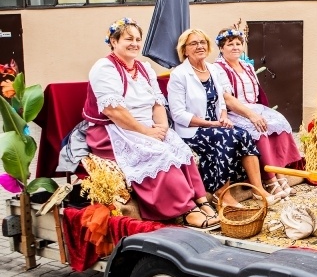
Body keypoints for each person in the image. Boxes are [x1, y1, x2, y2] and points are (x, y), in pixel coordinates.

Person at [83, 18, 219, 230]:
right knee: (160, 154)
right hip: (115, 130)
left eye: (138, 39)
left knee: (178, 147)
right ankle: (184, 210)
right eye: (129, 39)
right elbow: (113, 110)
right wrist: (146, 132)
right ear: (113, 41)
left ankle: (200, 199)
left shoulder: (144, 68)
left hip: (147, 126)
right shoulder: (104, 68)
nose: (135, 43)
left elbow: (157, 103)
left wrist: (163, 128)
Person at [167, 29, 265, 207]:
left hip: (215, 124)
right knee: (225, 137)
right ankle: (222, 194)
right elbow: (178, 114)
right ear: (184, 50)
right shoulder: (179, 75)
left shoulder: (213, 69)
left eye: (202, 42)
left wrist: (224, 116)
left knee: (243, 135)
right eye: (193, 43)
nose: (199, 46)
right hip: (192, 130)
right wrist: (211, 123)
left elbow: (221, 101)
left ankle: (258, 189)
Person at [213, 27, 302, 199]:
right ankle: (270, 180)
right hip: (233, 111)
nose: (235, 47)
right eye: (230, 44)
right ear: (221, 48)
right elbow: (227, 99)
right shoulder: (218, 69)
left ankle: (280, 174)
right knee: (258, 129)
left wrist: (262, 111)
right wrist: (251, 115)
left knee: (280, 123)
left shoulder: (247, 66)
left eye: (238, 44)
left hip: (254, 107)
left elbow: (257, 93)